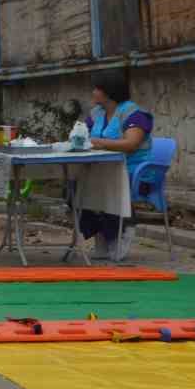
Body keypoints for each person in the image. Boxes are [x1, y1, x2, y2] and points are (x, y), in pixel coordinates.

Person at [81, 71, 154, 261]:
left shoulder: (134, 114)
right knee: (76, 185)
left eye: (97, 88)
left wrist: (100, 142)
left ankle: (122, 229)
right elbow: (82, 136)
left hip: (131, 170)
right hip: (102, 168)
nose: (93, 92)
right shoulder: (96, 113)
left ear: (109, 91)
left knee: (103, 184)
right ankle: (100, 233)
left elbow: (131, 144)